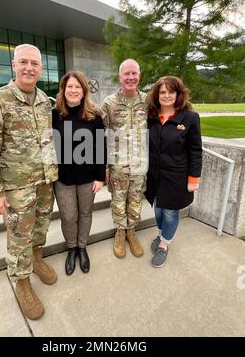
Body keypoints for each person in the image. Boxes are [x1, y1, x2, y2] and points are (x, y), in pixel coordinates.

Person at [0, 44, 58, 320]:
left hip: (44, 182)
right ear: (13, 65)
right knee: (18, 237)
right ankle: (21, 281)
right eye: (24, 62)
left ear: (41, 69)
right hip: (16, 187)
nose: (29, 68)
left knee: (41, 226)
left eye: (35, 63)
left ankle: (36, 259)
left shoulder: (45, 100)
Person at [145, 75, 202, 268]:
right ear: (157, 95)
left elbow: (195, 150)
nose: (166, 95)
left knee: (170, 212)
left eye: (171, 92)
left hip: (177, 177)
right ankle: (163, 234)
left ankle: (164, 244)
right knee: (158, 208)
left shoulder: (190, 118)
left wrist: (194, 178)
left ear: (178, 94)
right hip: (155, 176)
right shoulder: (151, 117)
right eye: (162, 92)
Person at [53, 70, 106, 276]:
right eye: (69, 87)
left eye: (77, 87)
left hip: (88, 177)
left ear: (84, 91)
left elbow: (101, 148)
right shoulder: (54, 114)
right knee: (68, 216)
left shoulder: (95, 116)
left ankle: (82, 247)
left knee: (85, 214)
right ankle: (71, 248)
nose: (73, 90)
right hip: (62, 178)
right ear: (64, 90)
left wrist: (100, 177)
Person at [101, 59, 148, 259]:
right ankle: (120, 232)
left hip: (139, 163)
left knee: (136, 199)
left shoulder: (147, 101)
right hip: (117, 163)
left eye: (134, 73)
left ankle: (132, 232)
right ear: (120, 77)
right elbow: (100, 134)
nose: (130, 77)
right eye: (126, 74)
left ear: (139, 76)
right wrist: (103, 165)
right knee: (118, 201)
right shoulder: (109, 103)